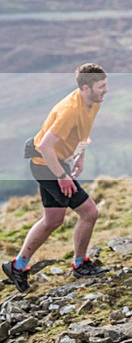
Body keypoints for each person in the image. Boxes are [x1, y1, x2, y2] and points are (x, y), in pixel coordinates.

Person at [3, 63, 111, 292]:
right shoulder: (69, 110)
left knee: (53, 220)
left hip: (56, 163)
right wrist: (62, 176)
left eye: (106, 84)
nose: (106, 90)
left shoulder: (93, 102)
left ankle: (17, 266)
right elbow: (45, 146)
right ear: (86, 88)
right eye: (101, 86)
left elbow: (84, 131)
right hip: (46, 165)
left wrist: (80, 156)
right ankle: (80, 264)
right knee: (90, 213)